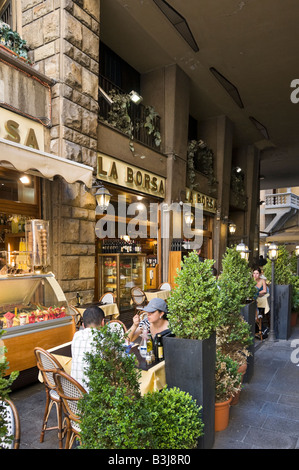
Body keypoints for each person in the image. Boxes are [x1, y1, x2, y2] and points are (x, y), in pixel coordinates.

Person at [71, 305, 105, 388]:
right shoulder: (104, 338)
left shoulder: (76, 336)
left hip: (74, 392)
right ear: (103, 322)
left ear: (83, 325)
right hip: (94, 394)